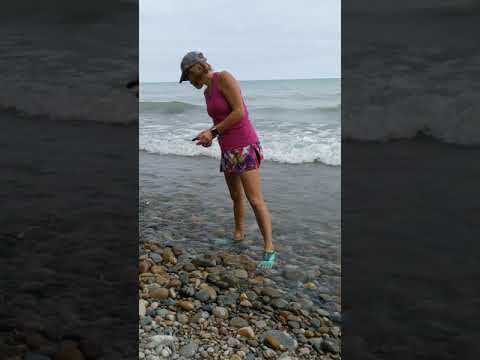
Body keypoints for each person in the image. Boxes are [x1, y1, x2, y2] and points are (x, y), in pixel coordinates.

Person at [179, 51, 277, 269]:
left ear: (195, 69)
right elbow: (220, 122)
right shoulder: (206, 93)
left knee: (254, 199)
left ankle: (269, 248)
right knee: (235, 196)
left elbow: (239, 112)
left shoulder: (223, 78)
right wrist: (210, 138)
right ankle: (238, 235)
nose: (188, 81)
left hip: (245, 144)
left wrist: (212, 132)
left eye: (187, 76)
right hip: (228, 147)